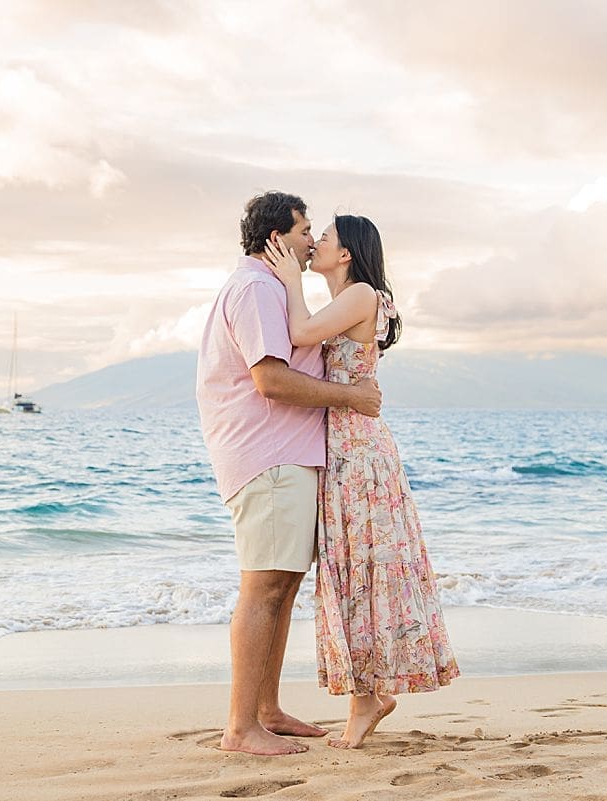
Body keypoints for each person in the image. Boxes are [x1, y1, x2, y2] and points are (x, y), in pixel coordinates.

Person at [196, 192, 383, 756]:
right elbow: (271, 381)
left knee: (282, 585)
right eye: (305, 230)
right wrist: (352, 396)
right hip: (269, 453)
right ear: (278, 236)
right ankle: (240, 727)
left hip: (286, 454)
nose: (311, 240)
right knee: (264, 586)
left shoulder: (269, 287)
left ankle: (266, 710)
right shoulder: (256, 288)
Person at [263, 214, 459, 749]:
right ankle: (368, 696)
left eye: (323, 238)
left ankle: (366, 698)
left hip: (358, 451)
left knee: (360, 568)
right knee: (351, 568)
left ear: (346, 253)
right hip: (348, 446)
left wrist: (288, 281)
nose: (314, 245)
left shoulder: (360, 294)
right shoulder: (350, 298)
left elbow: (301, 332)